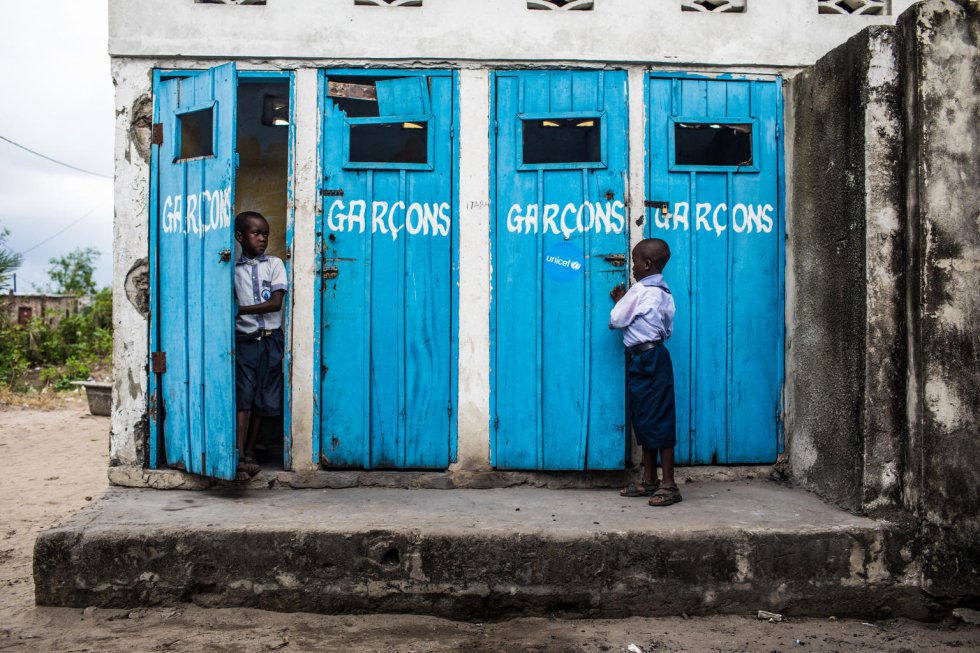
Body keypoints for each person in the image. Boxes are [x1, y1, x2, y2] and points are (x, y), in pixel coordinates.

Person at [609, 238, 681, 507]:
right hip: (657, 355)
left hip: (645, 358)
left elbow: (616, 320)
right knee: (651, 415)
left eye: (635, 261)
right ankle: (650, 480)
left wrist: (620, 300)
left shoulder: (638, 291)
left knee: (654, 417)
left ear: (647, 264)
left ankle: (669, 484)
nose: (632, 266)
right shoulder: (666, 293)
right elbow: (668, 328)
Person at [233, 211, 287, 481]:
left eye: (266, 233)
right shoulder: (232, 270)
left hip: (271, 340)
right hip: (245, 342)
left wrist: (238, 309)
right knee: (243, 398)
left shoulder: (275, 264)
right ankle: (240, 455)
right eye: (256, 233)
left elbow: (276, 303)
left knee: (264, 398)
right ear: (240, 237)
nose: (263, 238)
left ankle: (251, 452)